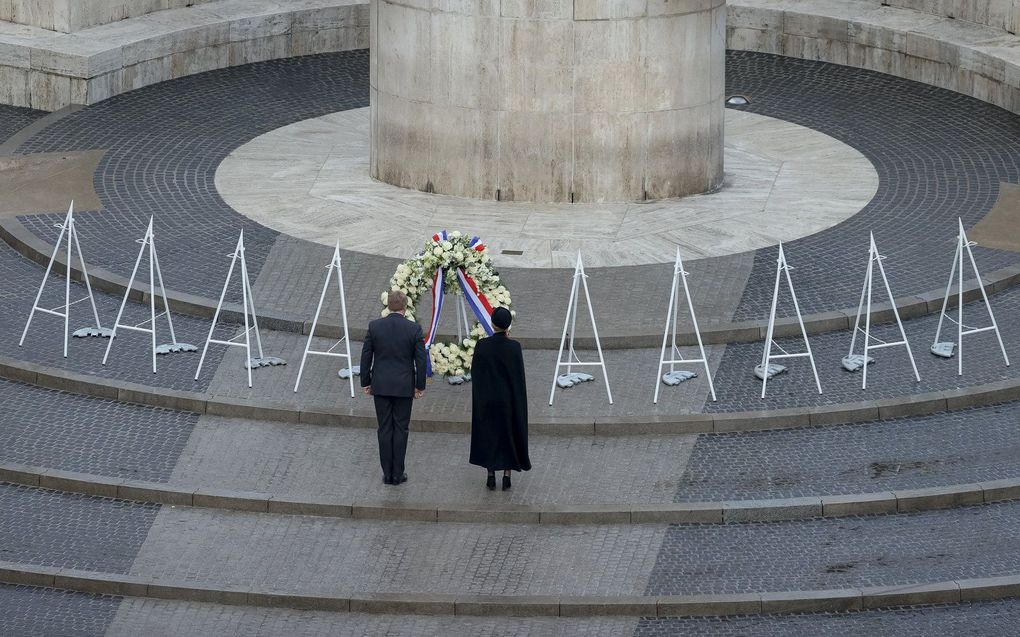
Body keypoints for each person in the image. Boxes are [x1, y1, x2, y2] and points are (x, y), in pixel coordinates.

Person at [360, 290, 427, 485]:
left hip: (380, 386)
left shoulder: (374, 327)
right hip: (404, 387)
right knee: (401, 429)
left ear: (388, 306)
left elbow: (366, 357)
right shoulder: (414, 329)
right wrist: (419, 386)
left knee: (384, 429)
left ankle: (386, 473)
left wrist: (366, 382)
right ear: (405, 308)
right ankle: (398, 473)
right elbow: (421, 361)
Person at [469, 306, 531, 491]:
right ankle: (507, 475)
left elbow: (476, 373)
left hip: (487, 400)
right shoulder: (514, 347)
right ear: (508, 326)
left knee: (489, 435)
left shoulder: (482, 345)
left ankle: (490, 475)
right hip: (507, 401)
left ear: (492, 324)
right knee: (507, 436)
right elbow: (518, 377)